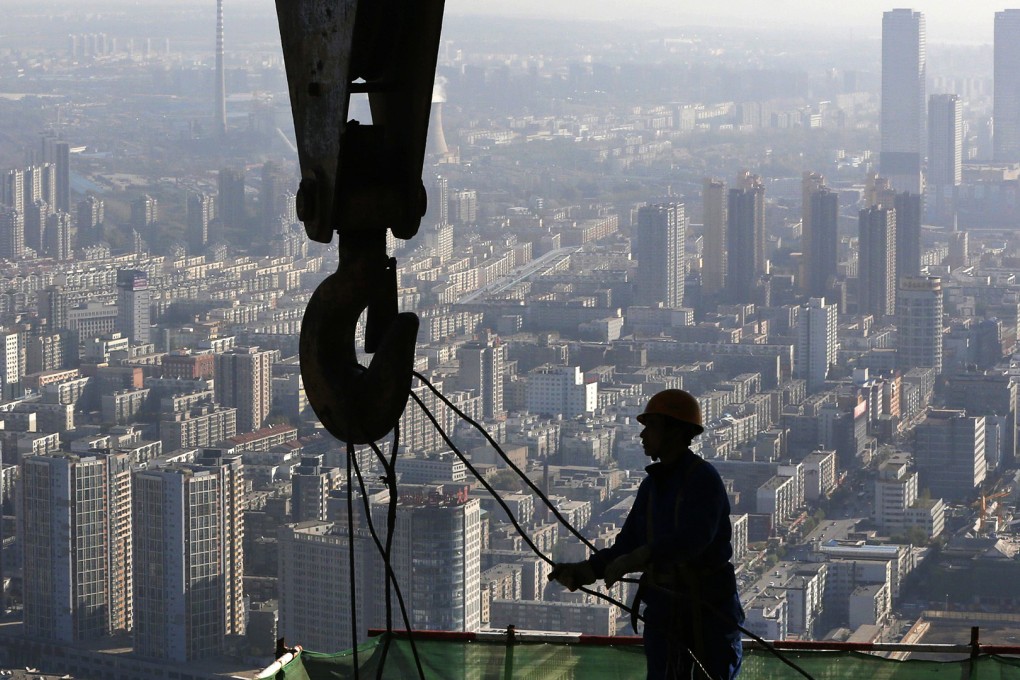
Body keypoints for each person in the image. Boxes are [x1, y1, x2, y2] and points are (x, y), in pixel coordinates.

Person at [549, 389, 744, 679]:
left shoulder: (703, 481)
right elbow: (626, 546)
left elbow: (693, 540)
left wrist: (641, 556)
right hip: (666, 611)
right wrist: (586, 571)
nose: (643, 435)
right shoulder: (652, 488)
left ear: (676, 431)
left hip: (707, 610)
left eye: (651, 426)